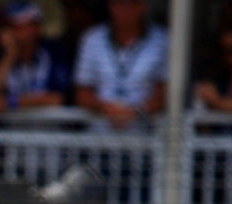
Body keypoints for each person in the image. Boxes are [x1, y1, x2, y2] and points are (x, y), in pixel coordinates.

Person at [72, 0, 167, 128]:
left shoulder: (163, 40)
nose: (125, 9)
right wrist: (107, 108)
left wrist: (134, 112)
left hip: (146, 137)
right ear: (110, 5)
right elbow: (82, 93)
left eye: (132, 3)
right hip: (99, 137)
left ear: (143, 6)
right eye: (120, 3)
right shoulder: (92, 38)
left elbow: (165, 94)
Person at [0, 1, 70, 115]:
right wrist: (9, 56)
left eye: (24, 26)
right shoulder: (0, 53)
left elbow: (56, 99)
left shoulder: (53, 51)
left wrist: (9, 102)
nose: (19, 33)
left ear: (37, 27)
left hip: (49, 130)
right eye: (13, 26)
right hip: (10, 131)